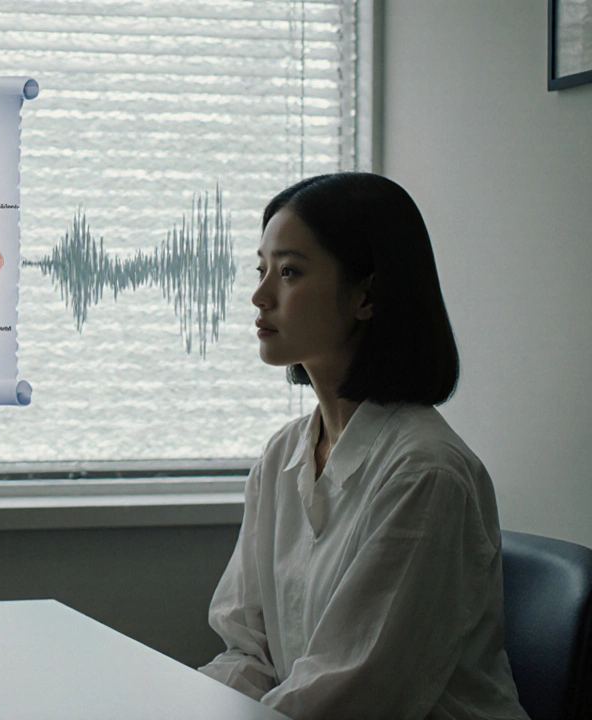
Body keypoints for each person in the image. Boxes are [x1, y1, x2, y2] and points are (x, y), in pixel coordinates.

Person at [197, 173, 530, 719]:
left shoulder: (425, 472)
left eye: (288, 271)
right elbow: (248, 653)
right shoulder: (282, 456)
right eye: (261, 270)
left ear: (366, 296)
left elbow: (352, 696)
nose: (259, 296)